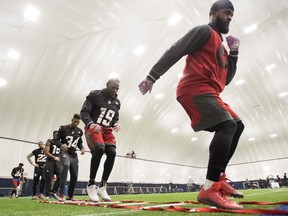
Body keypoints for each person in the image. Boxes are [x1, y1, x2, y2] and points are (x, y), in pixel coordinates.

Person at [138, 0, 244, 210]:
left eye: (232, 14)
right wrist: (152, 76)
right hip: (194, 89)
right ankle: (210, 188)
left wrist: (234, 54)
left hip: (212, 91)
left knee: (237, 125)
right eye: (226, 13)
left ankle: (219, 179)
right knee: (227, 125)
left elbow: (227, 79)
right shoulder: (204, 31)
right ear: (213, 14)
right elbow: (177, 49)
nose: (230, 17)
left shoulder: (221, 47)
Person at [80, 78, 121, 202]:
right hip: (94, 128)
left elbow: (115, 118)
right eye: (113, 87)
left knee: (112, 152)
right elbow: (84, 112)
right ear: (107, 85)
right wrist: (91, 123)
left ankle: (102, 186)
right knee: (100, 148)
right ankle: (91, 184)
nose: (115, 90)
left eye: (117, 88)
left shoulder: (117, 102)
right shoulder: (95, 95)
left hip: (107, 131)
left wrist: (117, 124)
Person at [58, 114, 86, 202]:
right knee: (65, 166)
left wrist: (82, 148)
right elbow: (55, 140)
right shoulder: (63, 128)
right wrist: (61, 145)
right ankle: (61, 194)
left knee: (74, 175)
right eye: (75, 121)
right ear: (71, 120)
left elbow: (79, 142)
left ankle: (70, 196)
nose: (76, 123)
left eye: (78, 122)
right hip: (64, 152)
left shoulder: (80, 131)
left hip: (73, 154)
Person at [44, 130, 63, 199]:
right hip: (50, 161)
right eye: (56, 134)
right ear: (53, 135)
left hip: (57, 162)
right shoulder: (49, 141)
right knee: (48, 178)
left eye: (58, 134)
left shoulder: (61, 143)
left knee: (61, 176)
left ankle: (53, 191)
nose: (57, 136)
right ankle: (47, 194)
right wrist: (53, 157)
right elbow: (46, 152)